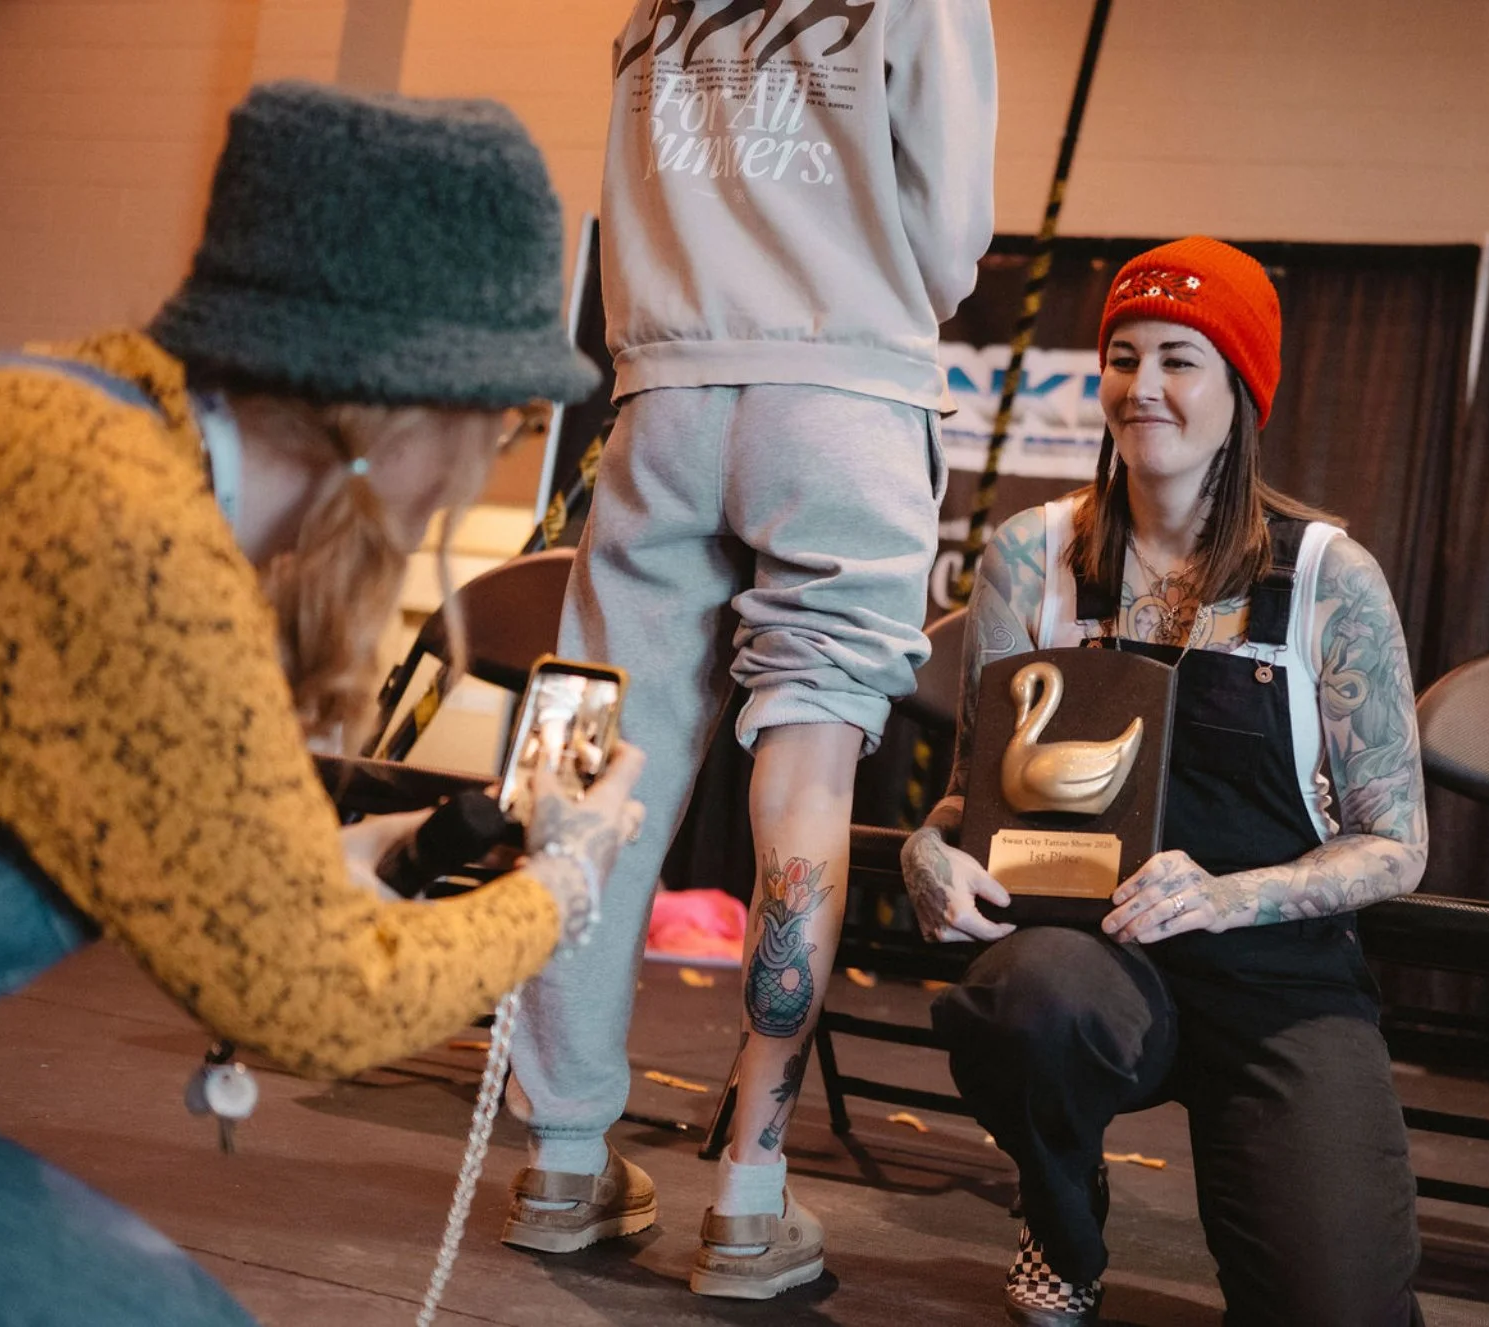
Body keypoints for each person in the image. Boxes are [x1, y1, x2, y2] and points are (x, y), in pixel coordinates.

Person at [0, 81, 645, 1324]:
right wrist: (566, 880)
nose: (482, 459)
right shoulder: (129, 533)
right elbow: (318, 998)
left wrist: (319, 860)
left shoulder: (80, 428)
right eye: (499, 423)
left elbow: (135, 811)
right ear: (407, 412)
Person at [501, 0, 997, 1301]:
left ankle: (559, 1159)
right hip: (844, 388)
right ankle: (747, 1194)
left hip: (660, 393)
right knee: (807, 768)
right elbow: (949, 240)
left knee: (592, 746)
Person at [901, 237, 1428, 1327]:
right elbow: (970, 797)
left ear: (1242, 391)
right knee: (1025, 1003)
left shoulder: (1327, 579)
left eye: (1180, 360)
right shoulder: (1031, 558)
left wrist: (1229, 896)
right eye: (1124, 357)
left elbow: (1397, 844)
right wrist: (926, 849)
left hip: (1277, 979)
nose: (1143, 387)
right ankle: (1062, 1218)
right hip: (1089, 954)